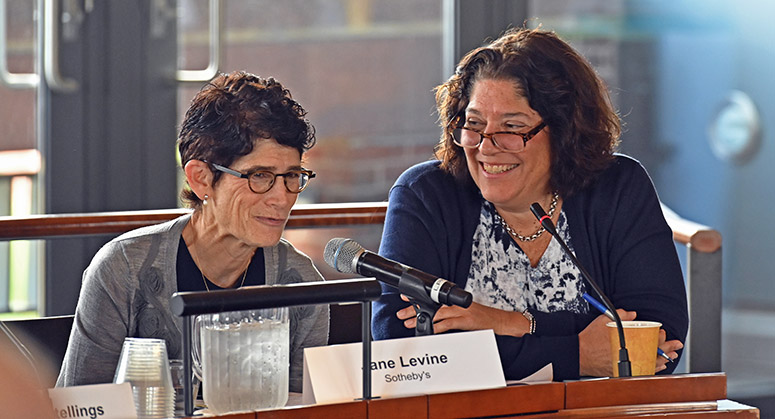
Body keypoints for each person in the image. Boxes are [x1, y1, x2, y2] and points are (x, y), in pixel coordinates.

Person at [372, 28, 688, 381]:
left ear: (566, 130)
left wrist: (504, 323)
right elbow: (402, 348)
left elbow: (660, 343)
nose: (486, 146)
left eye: (512, 127)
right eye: (474, 125)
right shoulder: (425, 195)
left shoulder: (618, 187)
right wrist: (577, 354)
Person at [57, 71, 329, 393]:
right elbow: (79, 406)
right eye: (260, 176)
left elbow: (308, 411)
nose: (282, 197)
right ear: (201, 178)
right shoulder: (123, 269)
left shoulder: (301, 281)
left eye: (292, 176)